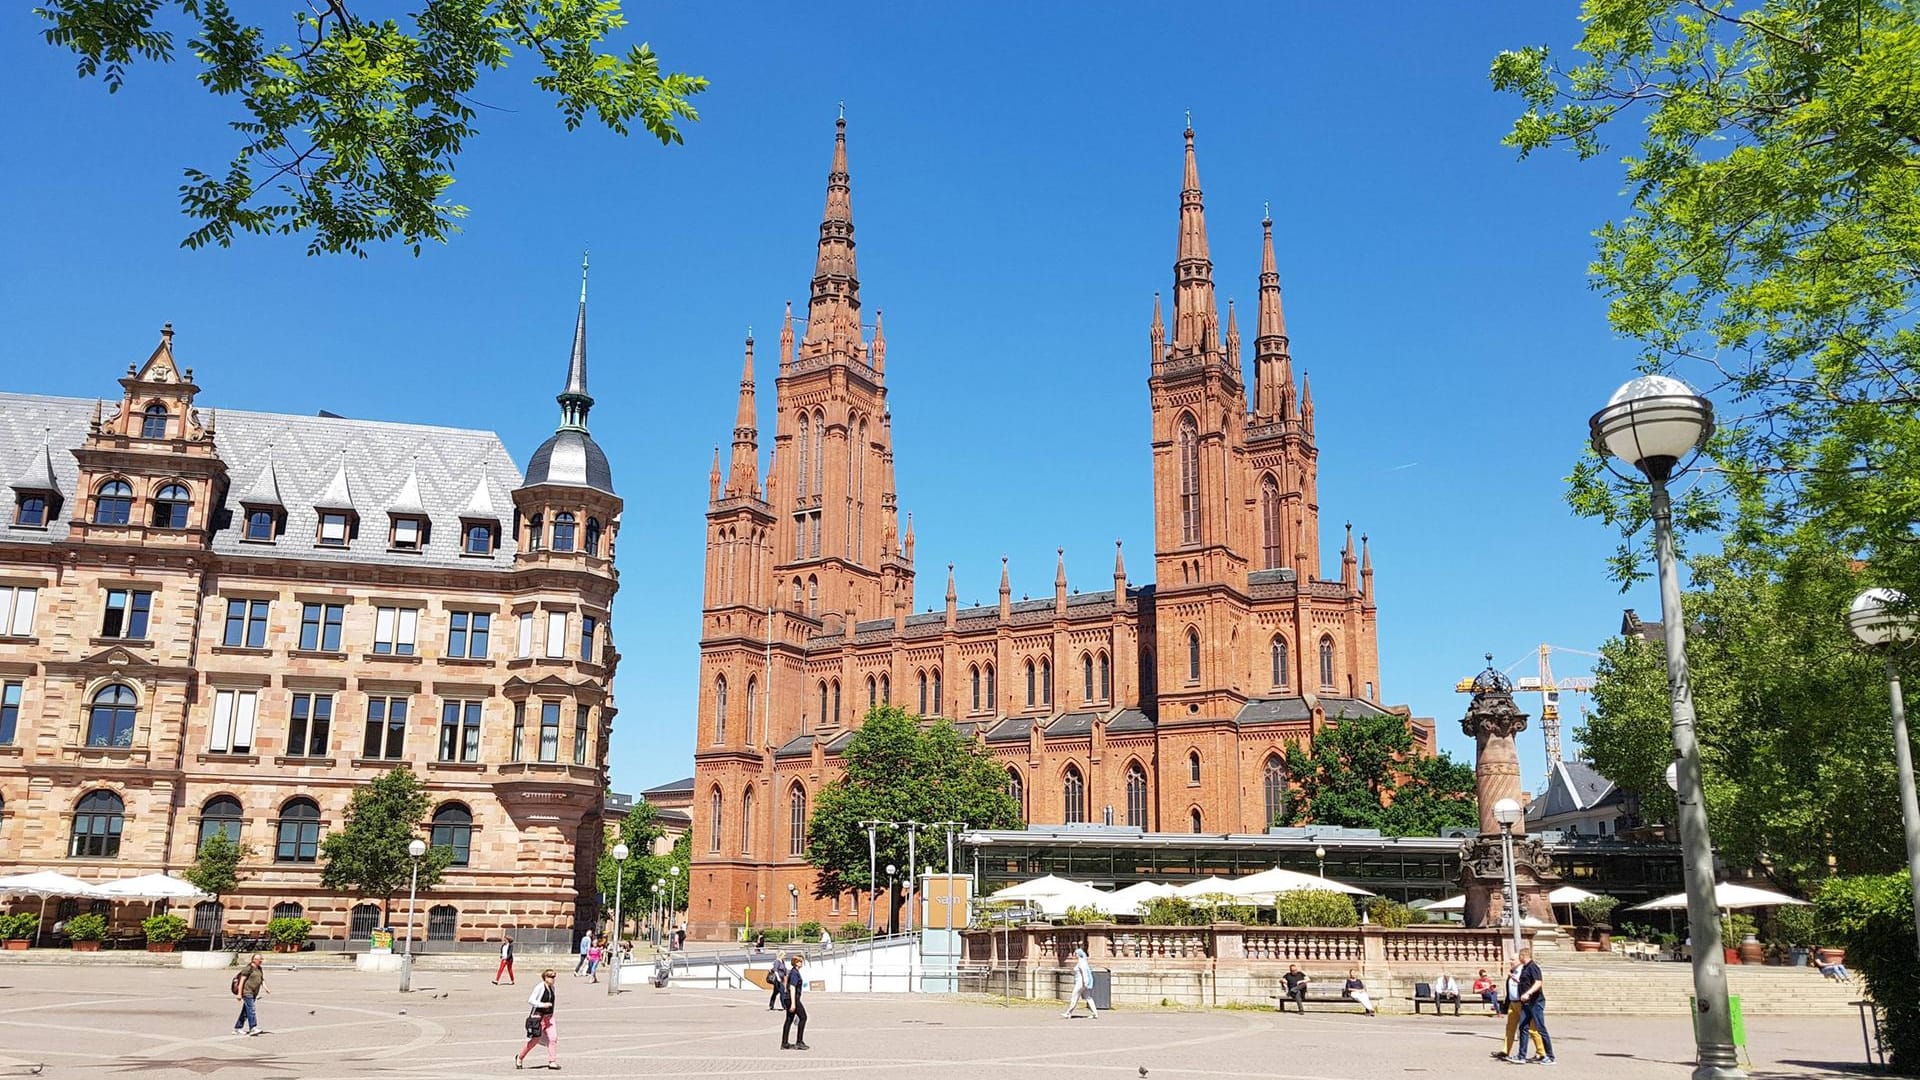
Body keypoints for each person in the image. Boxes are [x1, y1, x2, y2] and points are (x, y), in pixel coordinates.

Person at [1511, 948, 1555, 1065]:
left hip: (1535, 1002)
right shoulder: (1525, 968)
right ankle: (1521, 1056)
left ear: (1523, 956)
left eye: (1519, 956)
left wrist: (1528, 993)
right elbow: (1526, 982)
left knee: (1540, 1028)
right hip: (1526, 1003)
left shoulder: (1533, 967)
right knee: (1523, 1027)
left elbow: (1538, 982)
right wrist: (1516, 980)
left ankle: (1550, 1056)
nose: (1517, 959)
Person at [1497, 960, 1545, 1059]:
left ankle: (1541, 1052)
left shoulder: (1525, 971)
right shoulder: (1512, 972)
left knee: (1532, 1029)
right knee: (1510, 1028)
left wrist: (1517, 981)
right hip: (1512, 1003)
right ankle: (1505, 1050)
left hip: (1523, 1003)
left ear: (1519, 961)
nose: (1510, 961)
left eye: (1512, 960)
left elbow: (1532, 984)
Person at [516, 969, 558, 1070]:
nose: (553, 979)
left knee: (553, 1038)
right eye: (550, 977)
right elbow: (531, 1000)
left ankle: (552, 1061)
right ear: (545, 978)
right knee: (534, 1040)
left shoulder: (552, 988)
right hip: (539, 1017)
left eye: (554, 977)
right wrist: (543, 1005)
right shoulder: (540, 987)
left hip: (549, 1017)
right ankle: (520, 1057)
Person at [231, 954, 267, 1036]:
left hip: (254, 992)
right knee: (251, 1009)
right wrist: (239, 994)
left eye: (261, 959)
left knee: (245, 1012)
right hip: (247, 992)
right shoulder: (248, 968)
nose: (261, 961)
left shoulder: (259, 969)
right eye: (259, 959)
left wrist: (265, 987)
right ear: (253, 960)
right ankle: (253, 1028)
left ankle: (238, 1028)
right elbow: (241, 981)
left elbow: (261, 979)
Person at [782, 954, 809, 1050]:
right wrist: (793, 1003)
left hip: (788, 998)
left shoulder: (794, 972)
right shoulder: (794, 973)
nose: (802, 963)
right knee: (803, 1017)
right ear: (796, 962)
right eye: (800, 961)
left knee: (789, 1019)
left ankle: (784, 1043)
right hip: (792, 999)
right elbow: (792, 987)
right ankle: (799, 1041)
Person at [1061, 947, 1098, 1019]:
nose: (1075, 955)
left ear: (1078, 954)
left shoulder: (1081, 963)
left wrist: (1085, 982)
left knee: (1074, 996)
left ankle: (1069, 1013)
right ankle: (1095, 1013)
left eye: (1075, 953)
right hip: (1082, 982)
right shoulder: (1082, 962)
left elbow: (1084, 973)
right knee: (1088, 997)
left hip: (1081, 983)